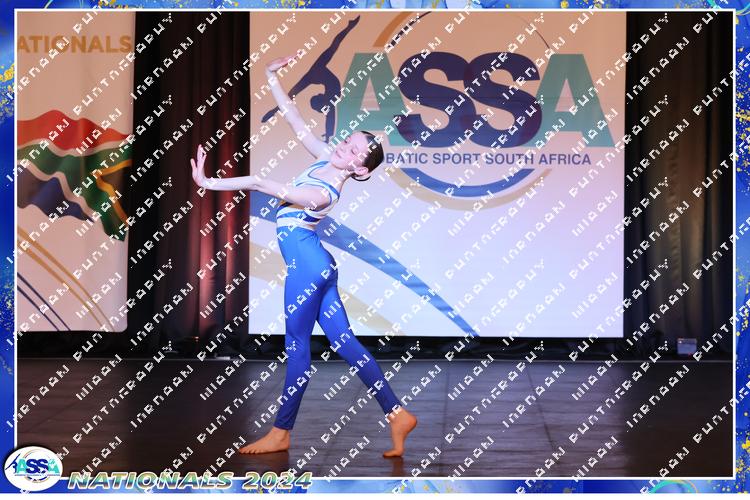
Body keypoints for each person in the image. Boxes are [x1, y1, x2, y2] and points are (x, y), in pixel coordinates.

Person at [190, 54, 417, 457]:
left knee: (297, 347)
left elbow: (261, 182)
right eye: (347, 141)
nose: (343, 147)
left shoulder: (324, 193)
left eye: (353, 151)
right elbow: (295, 119)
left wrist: (208, 182)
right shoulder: (325, 158)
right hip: (318, 265)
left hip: (309, 269)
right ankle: (397, 414)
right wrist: (270, 76)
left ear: (360, 171)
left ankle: (281, 432)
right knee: (345, 343)